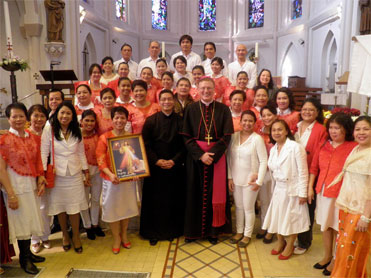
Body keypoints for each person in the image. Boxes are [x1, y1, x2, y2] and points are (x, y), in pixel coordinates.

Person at [181, 77, 233, 245]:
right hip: (195, 160)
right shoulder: (191, 109)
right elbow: (186, 136)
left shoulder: (224, 110)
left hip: (216, 160)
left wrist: (212, 155)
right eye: (203, 88)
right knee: (193, 193)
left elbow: (227, 136)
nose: (206, 91)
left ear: (214, 90)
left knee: (214, 194)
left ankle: (213, 231)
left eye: (209, 88)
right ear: (197, 89)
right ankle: (192, 232)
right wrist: (200, 155)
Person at [309, 112, 357, 276]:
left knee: (337, 227)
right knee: (325, 226)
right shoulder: (324, 145)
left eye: (338, 128)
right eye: (331, 127)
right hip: (323, 191)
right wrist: (310, 188)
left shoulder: (353, 147)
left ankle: (337, 259)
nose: (333, 131)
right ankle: (327, 255)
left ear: (346, 130)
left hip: (340, 194)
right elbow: (314, 168)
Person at [1, 103, 46, 274]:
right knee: (20, 222)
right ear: (8, 119)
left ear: (26, 118)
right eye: (14, 116)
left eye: (21, 116)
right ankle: (24, 259)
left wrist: (41, 177)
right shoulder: (4, 140)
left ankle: (28, 254)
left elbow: (38, 161)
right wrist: (11, 194)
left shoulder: (33, 138)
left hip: (31, 185)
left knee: (31, 219)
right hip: (15, 186)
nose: (18, 119)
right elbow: (1, 169)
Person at [41, 101, 90, 254]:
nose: (65, 116)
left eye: (68, 113)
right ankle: (65, 234)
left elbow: (81, 152)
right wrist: (42, 173)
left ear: (72, 116)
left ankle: (76, 236)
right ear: (57, 113)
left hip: (74, 173)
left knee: (74, 207)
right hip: (57, 174)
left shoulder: (77, 130)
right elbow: (44, 151)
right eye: (62, 112)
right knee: (60, 207)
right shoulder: (50, 128)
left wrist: (85, 170)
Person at [140, 90, 186, 245]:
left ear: (174, 102)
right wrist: (156, 161)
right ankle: (152, 233)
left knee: (173, 200)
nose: (167, 102)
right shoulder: (151, 121)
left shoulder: (181, 121)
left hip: (175, 168)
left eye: (169, 99)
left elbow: (185, 145)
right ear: (159, 102)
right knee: (154, 201)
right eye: (163, 99)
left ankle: (171, 231)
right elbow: (145, 145)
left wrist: (174, 161)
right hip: (155, 169)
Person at [262, 119, 310, 260]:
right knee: (278, 217)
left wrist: (303, 193)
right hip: (278, 188)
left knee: (291, 218)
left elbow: (303, 171)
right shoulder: (273, 149)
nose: (276, 132)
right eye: (274, 130)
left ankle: (290, 245)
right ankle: (280, 242)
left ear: (286, 131)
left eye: (280, 129)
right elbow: (272, 171)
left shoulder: (295, 147)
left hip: (292, 189)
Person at [330, 116, 371, 278]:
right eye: (358, 129)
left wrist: (366, 217)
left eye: (366, 129)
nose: (361, 133)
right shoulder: (356, 149)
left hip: (361, 211)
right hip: (346, 207)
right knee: (344, 248)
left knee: (352, 250)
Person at [96, 106, 139, 254]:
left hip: (128, 181)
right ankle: (116, 238)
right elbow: (100, 160)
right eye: (116, 117)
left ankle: (125, 235)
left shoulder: (132, 138)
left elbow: (136, 159)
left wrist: (136, 171)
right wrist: (110, 174)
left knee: (126, 208)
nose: (119, 120)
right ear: (112, 119)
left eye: (122, 117)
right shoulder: (104, 138)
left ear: (126, 120)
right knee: (114, 209)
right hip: (111, 180)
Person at [227, 110, 268, 247]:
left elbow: (263, 161)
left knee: (248, 208)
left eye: (250, 121)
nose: (247, 123)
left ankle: (247, 234)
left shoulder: (257, 139)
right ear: (240, 121)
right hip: (236, 178)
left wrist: (259, 181)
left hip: (251, 179)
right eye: (244, 120)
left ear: (255, 123)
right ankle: (239, 232)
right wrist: (229, 177)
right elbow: (229, 158)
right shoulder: (234, 136)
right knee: (238, 207)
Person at [294, 98, 327, 255]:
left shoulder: (321, 130)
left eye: (311, 110)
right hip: (294, 173)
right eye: (305, 109)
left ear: (317, 113)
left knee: (307, 207)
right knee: (295, 206)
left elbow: (317, 157)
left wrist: (309, 184)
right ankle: (294, 235)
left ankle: (305, 241)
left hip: (310, 174)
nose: (307, 112)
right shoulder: (296, 126)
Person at [27, 105, 52, 253]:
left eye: (42, 116)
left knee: (45, 208)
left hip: (45, 174)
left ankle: (45, 235)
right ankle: (34, 239)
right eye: (35, 115)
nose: (39, 119)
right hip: (29, 176)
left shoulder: (47, 134)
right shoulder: (24, 135)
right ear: (29, 117)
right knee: (34, 208)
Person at [79, 110, 105, 240]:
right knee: (83, 201)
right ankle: (87, 226)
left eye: (92, 121)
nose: (89, 123)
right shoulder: (77, 137)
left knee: (95, 199)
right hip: (82, 174)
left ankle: (95, 224)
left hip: (97, 172)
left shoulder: (98, 136)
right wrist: (83, 174)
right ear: (81, 121)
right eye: (86, 120)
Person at [255, 105, 277, 242]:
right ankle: (264, 225)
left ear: (275, 115)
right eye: (264, 115)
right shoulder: (258, 133)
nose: (267, 118)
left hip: (277, 172)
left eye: (269, 115)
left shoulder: (279, 131)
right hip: (262, 171)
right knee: (264, 201)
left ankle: (272, 229)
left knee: (274, 201)